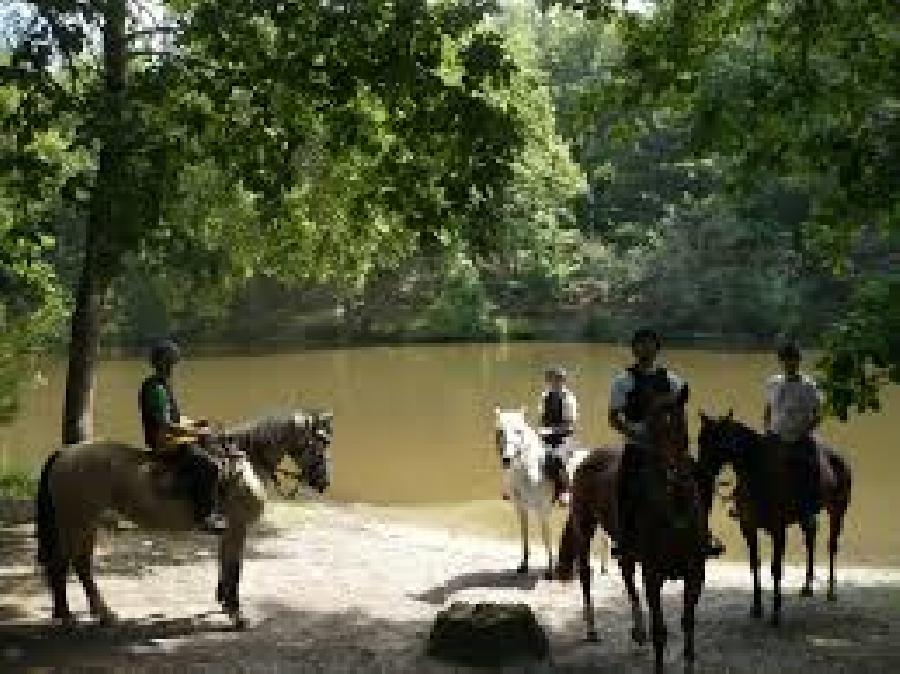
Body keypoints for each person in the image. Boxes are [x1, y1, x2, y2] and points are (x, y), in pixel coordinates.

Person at [608, 328, 724, 558]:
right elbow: (613, 419)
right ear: (634, 349)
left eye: (649, 344)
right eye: (640, 344)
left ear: (657, 348)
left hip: (669, 448)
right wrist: (636, 434)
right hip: (638, 446)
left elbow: (681, 415)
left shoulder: (673, 381)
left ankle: (704, 531)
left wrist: (680, 443)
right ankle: (624, 537)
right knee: (623, 484)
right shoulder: (622, 382)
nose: (645, 348)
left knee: (703, 478)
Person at [138, 339, 228, 533]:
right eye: (172, 362)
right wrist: (195, 432)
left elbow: (175, 418)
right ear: (163, 362)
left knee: (215, 448)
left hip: (171, 437)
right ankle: (205, 517)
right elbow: (165, 425)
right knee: (210, 466)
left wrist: (195, 423)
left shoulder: (161, 385)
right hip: (164, 442)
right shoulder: (156, 389)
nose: (175, 366)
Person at [763, 339, 823, 524]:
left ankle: (808, 511)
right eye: (785, 359)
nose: (789, 363)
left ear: (798, 361)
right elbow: (768, 408)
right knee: (752, 461)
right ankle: (742, 503)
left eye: (793, 359)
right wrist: (766, 429)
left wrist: (804, 433)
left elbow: (817, 415)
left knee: (808, 468)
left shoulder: (809, 386)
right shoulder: (773, 382)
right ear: (781, 361)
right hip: (775, 435)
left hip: (799, 438)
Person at [539, 366, 578, 506]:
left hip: (564, 436)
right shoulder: (545, 396)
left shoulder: (569, 398)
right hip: (546, 435)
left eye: (558, 379)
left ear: (562, 381)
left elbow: (570, 422)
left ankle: (565, 491)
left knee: (558, 459)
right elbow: (542, 417)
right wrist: (541, 430)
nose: (554, 382)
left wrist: (552, 430)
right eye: (551, 379)